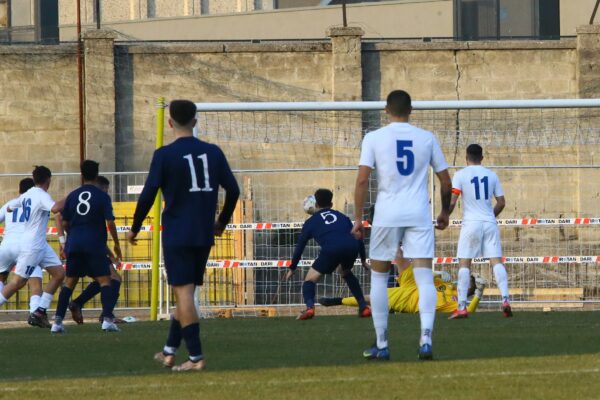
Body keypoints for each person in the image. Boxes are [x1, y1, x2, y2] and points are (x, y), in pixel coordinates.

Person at [127, 99, 240, 372]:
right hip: (203, 232)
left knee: (184, 294)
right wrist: (222, 222)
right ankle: (168, 351)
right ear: (196, 121)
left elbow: (148, 193)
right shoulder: (213, 152)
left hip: (177, 232)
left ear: (169, 123)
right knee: (186, 293)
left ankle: (196, 357)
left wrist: (136, 226)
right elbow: (233, 190)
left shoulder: (164, 154)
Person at [352, 90, 452, 361]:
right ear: (411, 109)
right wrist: (444, 212)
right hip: (419, 213)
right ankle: (426, 340)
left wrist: (358, 218)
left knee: (379, 277)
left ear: (386, 109)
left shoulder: (373, 138)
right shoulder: (426, 138)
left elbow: (362, 181)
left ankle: (382, 345)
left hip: (387, 214)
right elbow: (446, 181)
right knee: (423, 276)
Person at [52, 161, 123, 333]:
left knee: (69, 283)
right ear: (97, 175)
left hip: (75, 244)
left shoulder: (73, 195)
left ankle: (57, 322)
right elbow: (110, 222)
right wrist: (116, 243)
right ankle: (107, 319)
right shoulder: (102, 196)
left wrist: (72, 236)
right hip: (94, 245)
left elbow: (63, 220)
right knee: (106, 280)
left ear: (81, 175)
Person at [285, 189, 370, 320]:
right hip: (351, 246)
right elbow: (357, 236)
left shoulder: (310, 222)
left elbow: (300, 246)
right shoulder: (343, 217)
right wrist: (363, 260)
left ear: (316, 205)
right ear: (331, 204)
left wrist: (292, 267)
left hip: (331, 249)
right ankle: (363, 307)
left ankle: (309, 308)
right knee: (345, 272)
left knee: (309, 280)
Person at [448, 144, 511, 319]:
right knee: (496, 261)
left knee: (464, 263)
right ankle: (505, 299)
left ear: (466, 157)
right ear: (482, 158)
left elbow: (453, 201)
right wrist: (490, 216)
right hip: (489, 222)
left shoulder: (460, 175)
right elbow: (502, 202)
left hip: (471, 223)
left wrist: (445, 215)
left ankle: (462, 306)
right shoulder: (491, 175)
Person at [0, 166, 66, 328]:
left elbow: (10, 207)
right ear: (48, 180)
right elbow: (56, 208)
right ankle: (37, 311)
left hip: (39, 243)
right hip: (32, 246)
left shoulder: (27, 195)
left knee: (59, 274)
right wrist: (70, 197)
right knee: (18, 282)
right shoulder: (40, 194)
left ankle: (39, 311)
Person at [68, 175, 124, 324]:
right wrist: (116, 246)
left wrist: (111, 255)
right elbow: (106, 226)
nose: (107, 192)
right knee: (114, 278)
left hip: (76, 248)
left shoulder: (79, 201)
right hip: (92, 250)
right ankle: (107, 315)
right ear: (102, 188)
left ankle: (76, 304)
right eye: (106, 189)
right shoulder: (100, 202)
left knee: (104, 279)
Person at [320, 266, 487, 314]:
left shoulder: (457, 303)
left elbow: (468, 311)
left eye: (469, 283)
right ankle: (387, 233)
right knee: (405, 262)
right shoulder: (447, 285)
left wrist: (479, 294)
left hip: (410, 301)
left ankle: (337, 301)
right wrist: (437, 274)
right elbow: (423, 275)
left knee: (373, 298)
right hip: (411, 287)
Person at [0, 178, 45, 323]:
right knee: (35, 281)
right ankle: (34, 313)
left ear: (19, 189)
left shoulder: (9, 204)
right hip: (26, 246)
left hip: (6, 246)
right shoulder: (34, 203)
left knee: (1, 276)